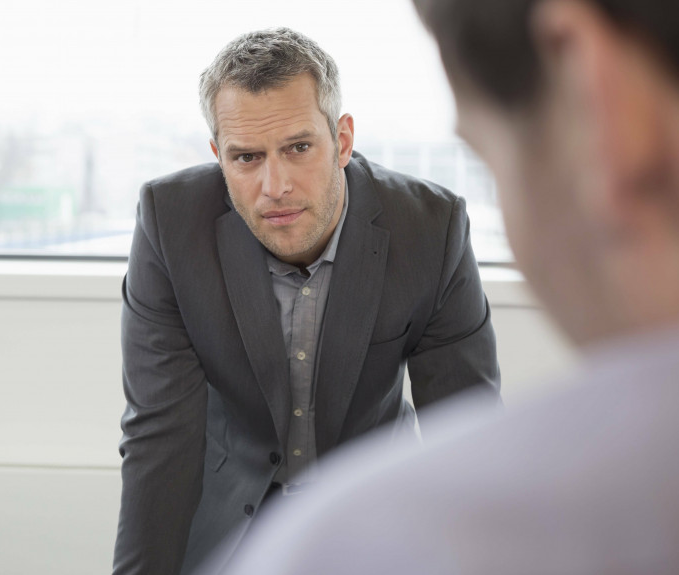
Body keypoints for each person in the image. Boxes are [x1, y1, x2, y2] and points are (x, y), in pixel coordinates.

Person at [216, 0, 679, 573]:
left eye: (490, 153)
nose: (275, 185)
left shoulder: (375, 543)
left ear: (597, 95)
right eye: (246, 158)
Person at [113, 27, 501, 575]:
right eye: (246, 157)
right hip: (231, 523)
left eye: (299, 148)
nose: (276, 185)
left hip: (375, 517)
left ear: (341, 140)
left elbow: (466, 437)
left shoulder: (430, 228)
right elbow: (158, 436)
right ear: (218, 155)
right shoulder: (169, 223)